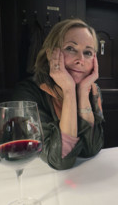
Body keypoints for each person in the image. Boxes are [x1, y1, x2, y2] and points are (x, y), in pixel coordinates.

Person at [12, 18, 104, 170]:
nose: (80, 60)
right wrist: (69, 92)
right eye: (70, 48)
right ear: (50, 54)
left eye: (87, 52)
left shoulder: (92, 90)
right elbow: (60, 160)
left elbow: (91, 149)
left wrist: (81, 94)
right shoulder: (26, 93)